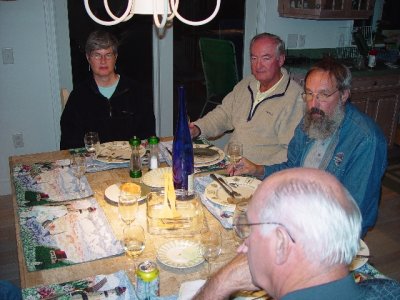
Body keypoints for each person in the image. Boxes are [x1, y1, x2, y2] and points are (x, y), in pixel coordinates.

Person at [228, 58, 387, 237]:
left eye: (323, 95)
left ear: (344, 95)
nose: (313, 104)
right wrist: (257, 169)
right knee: (234, 225)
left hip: (332, 231)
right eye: (309, 94)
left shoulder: (365, 140)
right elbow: (292, 169)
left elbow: (354, 213)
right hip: (298, 211)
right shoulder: (310, 122)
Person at [194, 168, 400, 300]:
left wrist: (222, 282)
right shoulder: (389, 289)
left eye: (250, 229)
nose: (243, 247)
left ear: (281, 243)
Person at [189, 33, 304, 165]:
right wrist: (198, 128)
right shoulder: (247, 84)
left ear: (281, 60)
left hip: (259, 177)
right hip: (229, 164)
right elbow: (224, 114)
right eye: (254, 58)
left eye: (266, 58)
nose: (258, 65)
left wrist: (257, 169)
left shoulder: (295, 98)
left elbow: (289, 152)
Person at [60, 30, 155, 150]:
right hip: (93, 164)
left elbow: (147, 135)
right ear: (88, 58)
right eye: (97, 55)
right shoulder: (78, 97)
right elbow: (69, 144)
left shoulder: (136, 91)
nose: (103, 61)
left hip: (132, 160)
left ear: (116, 57)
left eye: (108, 55)